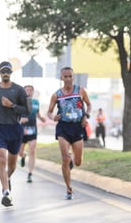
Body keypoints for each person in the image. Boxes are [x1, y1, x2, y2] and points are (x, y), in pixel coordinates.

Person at [47, 67, 92, 200]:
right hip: (63, 128)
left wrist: (86, 116)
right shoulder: (56, 95)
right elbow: (49, 112)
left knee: (77, 162)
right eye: (65, 76)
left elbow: (89, 105)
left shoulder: (81, 91)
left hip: (77, 127)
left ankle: (73, 159)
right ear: (61, 78)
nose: (67, 79)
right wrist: (52, 117)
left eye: (70, 76)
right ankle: (68, 189)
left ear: (73, 77)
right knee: (65, 158)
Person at [0, 61, 32, 207]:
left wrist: (12, 106)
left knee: (12, 163)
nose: (5, 74)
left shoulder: (19, 90)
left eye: (7, 71)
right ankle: (6, 193)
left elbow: (27, 110)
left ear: (11, 73)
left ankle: (7, 178)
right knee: (1, 158)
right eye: (3, 71)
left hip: (15, 129)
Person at [18, 85, 46, 183]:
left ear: (33, 92)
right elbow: (15, 115)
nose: (29, 91)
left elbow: (38, 114)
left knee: (33, 150)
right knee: (19, 152)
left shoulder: (36, 102)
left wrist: (42, 118)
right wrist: (20, 120)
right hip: (22, 130)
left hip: (33, 130)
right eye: (27, 90)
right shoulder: (20, 102)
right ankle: (23, 156)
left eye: (31, 90)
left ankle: (30, 173)